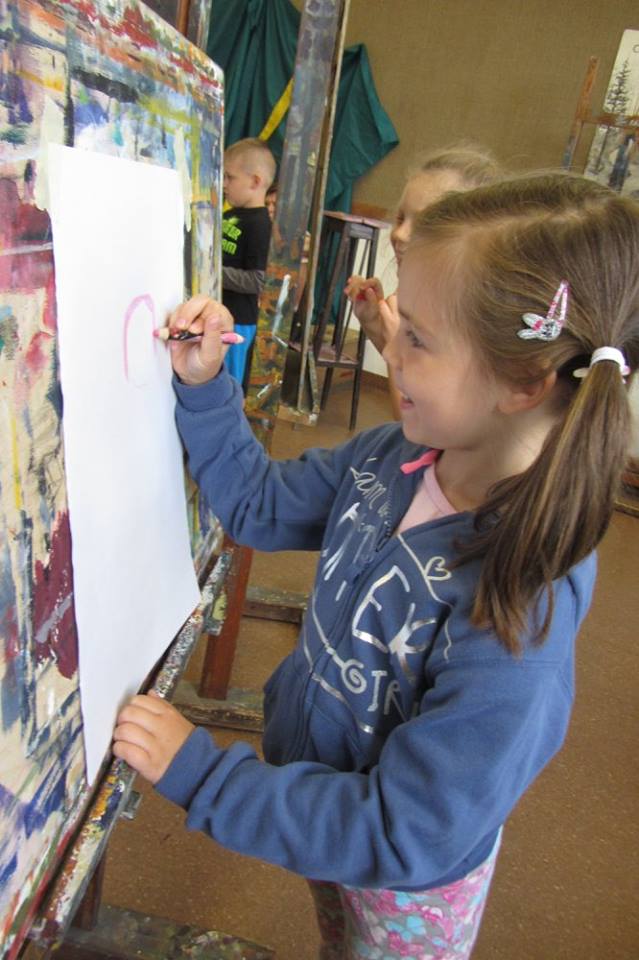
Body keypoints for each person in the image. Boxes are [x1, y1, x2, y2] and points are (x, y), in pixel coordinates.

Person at [113, 173, 639, 959]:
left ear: (523, 382)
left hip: (407, 888)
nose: (389, 348)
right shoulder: (391, 457)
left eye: (416, 338)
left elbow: (404, 831)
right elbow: (259, 503)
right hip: (325, 811)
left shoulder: (518, 606)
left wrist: (204, 777)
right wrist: (202, 384)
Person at [345, 144, 501, 418]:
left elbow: (416, 420)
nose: (400, 234)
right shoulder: (429, 299)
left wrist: (396, 341)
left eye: (424, 222)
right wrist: (375, 326)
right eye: (400, 218)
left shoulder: (463, 318)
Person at [221, 137, 276, 391]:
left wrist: (214, 272)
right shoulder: (230, 214)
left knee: (229, 385)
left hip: (239, 321)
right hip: (219, 313)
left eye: (230, 178)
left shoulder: (260, 225)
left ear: (255, 181)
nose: (224, 184)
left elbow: (258, 280)